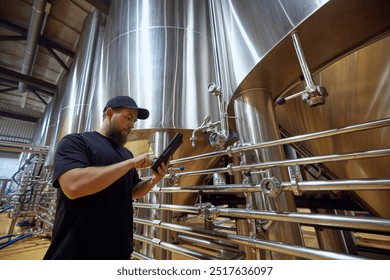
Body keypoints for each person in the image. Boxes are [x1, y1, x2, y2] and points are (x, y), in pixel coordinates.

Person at [43, 96, 167, 260]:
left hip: (119, 251)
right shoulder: (76, 141)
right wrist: (130, 163)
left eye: (134, 121)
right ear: (109, 113)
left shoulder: (126, 153)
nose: (132, 125)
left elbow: (132, 192)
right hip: (77, 252)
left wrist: (154, 179)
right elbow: (73, 187)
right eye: (128, 118)